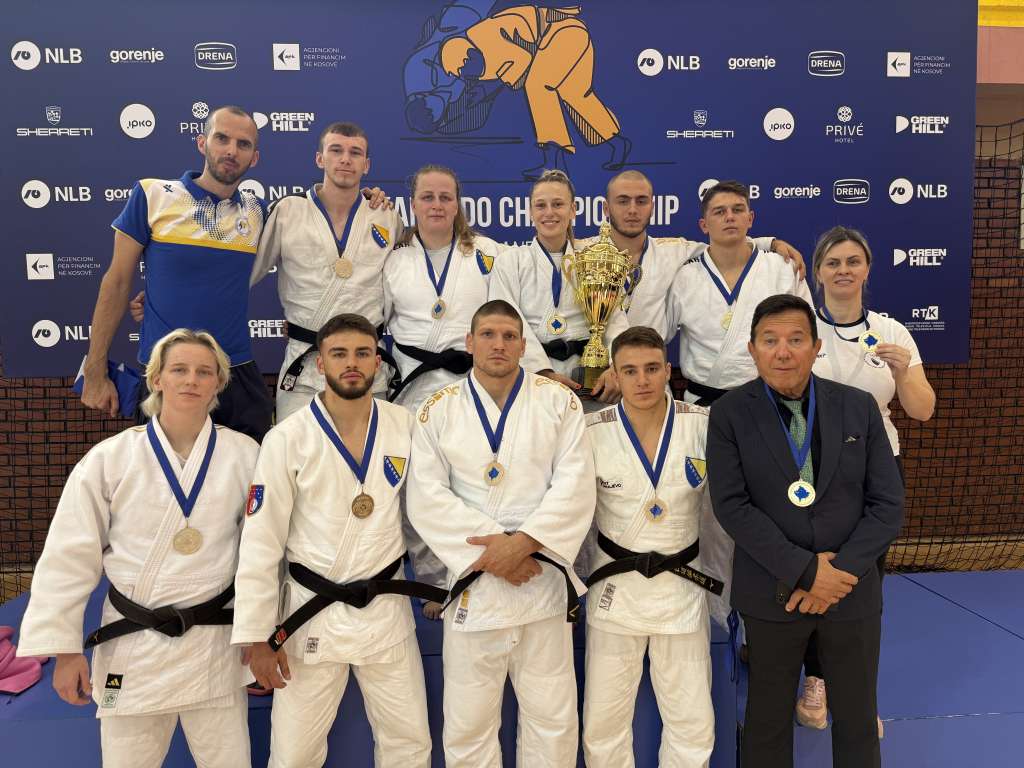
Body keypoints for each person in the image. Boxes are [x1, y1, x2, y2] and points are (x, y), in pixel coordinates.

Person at [17, 329, 259, 768]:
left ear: (219, 383)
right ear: (157, 379)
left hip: (214, 646)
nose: (191, 380)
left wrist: (259, 634)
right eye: (179, 369)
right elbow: (68, 557)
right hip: (134, 646)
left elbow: (263, 554)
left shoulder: (246, 455)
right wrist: (66, 651)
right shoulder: (110, 459)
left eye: (204, 372)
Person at [231, 314, 438, 767]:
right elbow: (261, 541)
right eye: (339, 354)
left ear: (378, 363)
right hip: (311, 615)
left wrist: (442, 582)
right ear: (320, 364)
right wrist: (257, 635)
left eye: (363, 353)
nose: (352, 363)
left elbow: (427, 512)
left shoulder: (403, 425)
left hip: (385, 611)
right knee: (294, 753)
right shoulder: (287, 438)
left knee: (409, 744)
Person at [707, 294, 904, 768]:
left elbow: (887, 504)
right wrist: (806, 572)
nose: (783, 352)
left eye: (796, 340)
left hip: (851, 590)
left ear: (816, 347)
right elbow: (732, 506)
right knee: (767, 721)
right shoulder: (729, 413)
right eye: (769, 340)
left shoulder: (858, 407)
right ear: (752, 350)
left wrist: (838, 575)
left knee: (858, 719)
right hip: (773, 591)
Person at [406, 299, 595, 767]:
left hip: (540, 580)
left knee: (552, 721)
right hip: (476, 585)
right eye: (488, 335)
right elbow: (426, 497)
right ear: (469, 342)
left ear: (523, 346)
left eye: (509, 336)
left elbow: (575, 484)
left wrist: (523, 545)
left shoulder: (559, 401)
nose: (499, 344)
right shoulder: (436, 410)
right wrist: (501, 555)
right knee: (468, 726)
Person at [795, 226, 936, 734]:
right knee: (815, 572)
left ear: (867, 269)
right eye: (833, 262)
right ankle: (815, 678)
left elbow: (922, 410)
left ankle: (855, 691)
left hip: (875, 469)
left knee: (864, 579)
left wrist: (902, 374)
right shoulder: (801, 329)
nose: (843, 270)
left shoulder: (892, 331)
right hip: (810, 469)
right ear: (817, 272)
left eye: (853, 261)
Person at [80, 105, 275, 442]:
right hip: (167, 374)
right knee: (162, 475)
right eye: (222, 138)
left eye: (243, 144)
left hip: (236, 374)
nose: (231, 150)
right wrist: (94, 371)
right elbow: (117, 283)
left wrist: (367, 199)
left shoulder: (260, 212)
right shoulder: (152, 195)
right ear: (202, 142)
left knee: (249, 474)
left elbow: (318, 219)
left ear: (254, 158)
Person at [583, 326, 720, 767]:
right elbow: (573, 515)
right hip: (614, 589)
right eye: (630, 371)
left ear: (667, 370)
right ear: (614, 374)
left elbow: (722, 514)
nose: (642, 380)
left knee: (691, 719)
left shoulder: (702, 425)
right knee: (604, 721)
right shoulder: (591, 431)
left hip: (683, 586)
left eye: (652, 368)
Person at [251, 123, 403, 421]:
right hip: (305, 366)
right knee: (296, 448)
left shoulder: (386, 216)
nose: (345, 159)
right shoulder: (288, 211)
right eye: (336, 150)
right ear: (320, 159)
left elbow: (404, 285)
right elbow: (243, 275)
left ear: (366, 165)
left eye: (355, 153)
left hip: (367, 368)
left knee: (370, 447)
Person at [407, 3, 630, 178]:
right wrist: (484, 91)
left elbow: (522, 62)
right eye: (462, 74)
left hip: (564, 33)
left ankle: (554, 164)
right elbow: (510, 74)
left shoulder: (487, 37)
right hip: (561, 39)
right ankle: (617, 143)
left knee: (538, 85)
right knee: (577, 96)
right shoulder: (475, 62)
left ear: (468, 55)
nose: (467, 76)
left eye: (465, 70)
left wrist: (487, 90)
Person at [576, 169, 802, 332]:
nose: (633, 210)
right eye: (623, 201)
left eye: (641, 201)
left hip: (649, 370)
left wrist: (769, 243)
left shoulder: (672, 251)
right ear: (606, 208)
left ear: (652, 207)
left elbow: (724, 244)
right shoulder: (581, 253)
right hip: (592, 367)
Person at [661, 180, 815, 406]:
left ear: (750, 218)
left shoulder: (783, 268)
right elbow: (659, 335)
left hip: (770, 401)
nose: (730, 217)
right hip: (703, 404)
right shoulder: (684, 277)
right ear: (704, 225)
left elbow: (809, 333)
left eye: (737, 209)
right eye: (719, 212)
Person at [490, 168, 624, 407]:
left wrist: (617, 367)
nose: (549, 212)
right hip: (531, 380)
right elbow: (506, 323)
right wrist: (542, 373)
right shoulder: (510, 263)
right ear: (530, 212)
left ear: (573, 210)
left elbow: (615, 319)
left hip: (591, 379)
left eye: (558, 204)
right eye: (540, 205)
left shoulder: (594, 259)